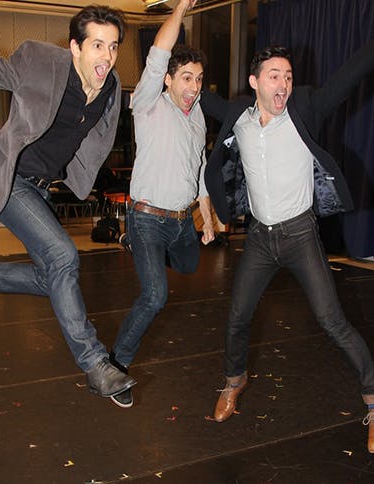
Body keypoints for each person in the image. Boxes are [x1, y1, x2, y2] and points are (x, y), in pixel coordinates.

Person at [0, 4, 136, 400]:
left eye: (113, 46)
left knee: (54, 278)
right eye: (97, 45)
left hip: (43, 188)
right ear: (75, 47)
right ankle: (95, 364)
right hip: (9, 178)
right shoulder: (41, 63)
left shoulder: (111, 87)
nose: (107, 56)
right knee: (64, 256)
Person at [201, 39, 374, 451]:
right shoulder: (238, 117)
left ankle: (373, 398)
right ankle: (234, 382)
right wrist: (168, 77)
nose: (283, 85)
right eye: (274, 76)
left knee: (332, 321)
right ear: (254, 82)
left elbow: (349, 77)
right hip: (260, 239)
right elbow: (195, 94)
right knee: (237, 316)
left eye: (288, 77)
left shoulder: (305, 108)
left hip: (300, 236)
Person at [108, 0, 215, 409]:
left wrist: (206, 217)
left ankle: (136, 245)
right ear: (168, 80)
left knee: (189, 264)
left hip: (182, 221)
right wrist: (182, 8)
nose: (194, 86)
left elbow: (200, 168)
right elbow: (158, 54)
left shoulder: (197, 116)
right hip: (148, 216)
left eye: (199, 79)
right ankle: (116, 366)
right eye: (186, 78)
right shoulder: (149, 101)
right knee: (156, 296)